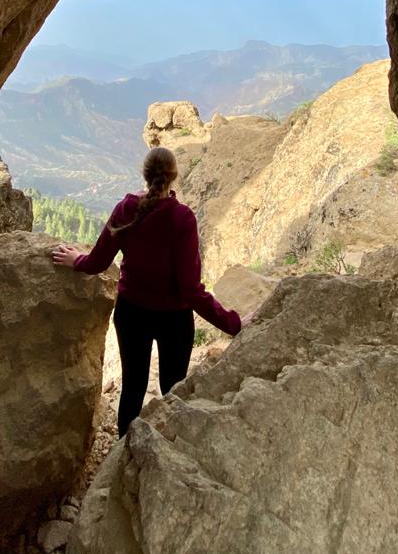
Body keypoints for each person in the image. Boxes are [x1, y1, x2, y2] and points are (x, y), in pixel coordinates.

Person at [51, 146, 255, 437]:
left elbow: (98, 261)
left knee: (132, 389)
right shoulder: (182, 218)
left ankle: (122, 459)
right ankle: (169, 453)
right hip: (174, 320)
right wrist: (233, 324)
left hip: (131, 313)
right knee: (174, 391)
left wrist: (77, 261)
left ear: (144, 174)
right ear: (173, 177)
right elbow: (191, 289)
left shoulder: (126, 209)